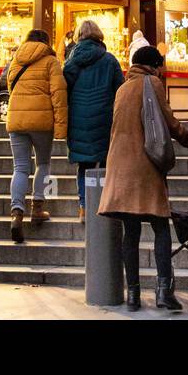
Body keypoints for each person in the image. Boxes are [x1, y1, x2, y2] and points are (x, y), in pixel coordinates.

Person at [98, 45, 188, 312]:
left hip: (120, 165)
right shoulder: (152, 83)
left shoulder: (122, 88)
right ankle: (163, 292)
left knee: (131, 232)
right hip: (145, 165)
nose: (161, 70)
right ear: (152, 65)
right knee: (161, 227)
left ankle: (133, 296)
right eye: (159, 65)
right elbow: (168, 121)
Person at [6, 28, 68, 243]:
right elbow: (58, 94)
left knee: (20, 167)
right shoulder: (51, 61)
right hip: (42, 121)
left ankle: (16, 213)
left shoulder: (17, 59)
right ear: (46, 42)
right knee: (43, 164)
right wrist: (61, 127)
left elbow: (9, 84)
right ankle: (38, 208)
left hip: (16, 119)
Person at [63, 19, 124, 222]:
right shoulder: (109, 60)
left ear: (78, 36)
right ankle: (106, 203)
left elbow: (64, 89)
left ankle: (84, 207)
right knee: (107, 160)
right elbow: (120, 90)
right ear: (99, 36)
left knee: (84, 165)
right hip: (105, 115)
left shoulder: (72, 62)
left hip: (78, 117)